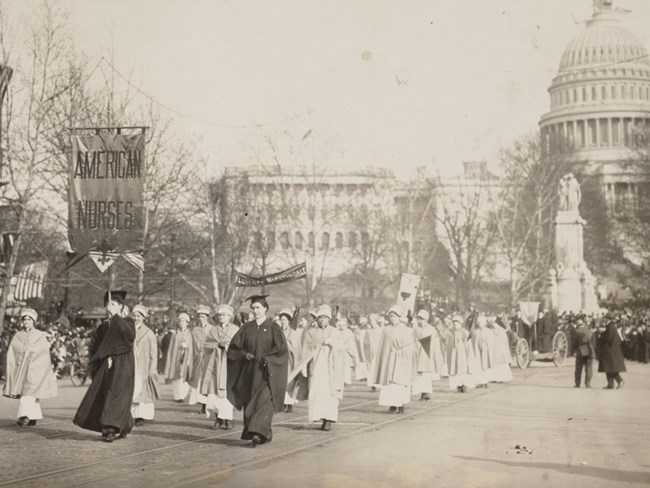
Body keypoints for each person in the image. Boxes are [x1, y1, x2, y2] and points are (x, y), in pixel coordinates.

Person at [227, 295, 289, 447]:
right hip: (249, 373)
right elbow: (234, 348)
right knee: (250, 402)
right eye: (253, 308)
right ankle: (262, 433)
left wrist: (268, 359)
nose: (255, 311)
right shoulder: (246, 328)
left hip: (268, 374)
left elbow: (281, 350)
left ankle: (257, 433)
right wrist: (244, 354)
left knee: (265, 402)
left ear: (265, 309)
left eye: (258, 308)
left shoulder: (274, 328)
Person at [73, 291, 136, 442]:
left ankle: (110, 429)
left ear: (121, 306)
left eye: (113, 304)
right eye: (109, 304)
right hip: (107, 364)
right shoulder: (103, 326)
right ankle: (124, 424)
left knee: (117, 393)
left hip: (123, 363)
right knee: (106, 393)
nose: (110, 307)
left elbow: (128, 337)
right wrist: (99, 359)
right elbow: (95, 345)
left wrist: (116, 317)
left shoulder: (127, 322)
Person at [3, 308, 58, 427]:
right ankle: (33, 417)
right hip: (21, 369)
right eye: (25, 319)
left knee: (29, 395)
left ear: (33, 321)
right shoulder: (18, 335)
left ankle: (23, 417)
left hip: (35, 369)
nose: (27, 322)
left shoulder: (39, 335)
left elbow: (43, 353)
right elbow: (12, 352)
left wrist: (31, 353)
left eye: (29, 319)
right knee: (27, 394)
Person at [300, 305, 345, 431]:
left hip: (331, 368)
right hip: (316, 367)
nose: (322, 320)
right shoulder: (311, 332)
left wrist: (333, 344)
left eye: (325, 318)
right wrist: (304, 366)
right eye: (320, 318)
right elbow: (305, 350)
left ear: (329, 319)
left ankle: (328, 419)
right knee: (317, 391)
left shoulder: (335, 332)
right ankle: (319, 416)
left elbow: (342, 349)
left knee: (330, 393)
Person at [201, 304, 239, 430]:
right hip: (215, 366)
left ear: (229, 317)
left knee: (227, 393)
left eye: (224, 315)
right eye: (220, 315)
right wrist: (217, 346)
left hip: (229, 366)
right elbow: (207, 345)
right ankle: (218, 418)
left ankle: (228, 419)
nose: (221, 317)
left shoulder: (235, 329)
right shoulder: (213, 329)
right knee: (214, 394)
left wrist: (227, 346)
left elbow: (239, 346)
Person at [372, 305, 415, 413]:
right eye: (391, 316)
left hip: (401, 360)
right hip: (389, 359)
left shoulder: (405, 330)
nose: (392, 318)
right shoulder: (386, 330)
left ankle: (400, 405)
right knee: (390, 383)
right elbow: (383, 346)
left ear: (399, 317)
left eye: (395, 316)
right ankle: (392, 404)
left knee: (399, 383)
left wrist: (402, 353)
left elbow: (409, 346)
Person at [131, 305, 159, 426]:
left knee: (143, 391)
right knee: (133, 390)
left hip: (144, 365)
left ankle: (141, 416)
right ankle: (132, 415)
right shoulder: (129, 330)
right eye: (135, 316)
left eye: (138, 316)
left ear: (143, 318)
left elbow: (153, 352)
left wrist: (152, 368)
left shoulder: (149, 333)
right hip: (132, 364)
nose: (136, 318)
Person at [412, 309, 442, 401]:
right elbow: (412, 341)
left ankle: (426, 393)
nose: (420, 321)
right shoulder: (415, 330)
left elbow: (435, 343)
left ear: (426, 320)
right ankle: (422, 392)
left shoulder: (431, 330)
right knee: (419, 375)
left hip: (427, 354)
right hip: (418, 354)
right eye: (419, 319)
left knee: (426, 376)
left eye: (422, 319)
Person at [189, 306, 214, 413]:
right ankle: (202, 405)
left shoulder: (212, 329)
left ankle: (208, 404)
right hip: (198, 359)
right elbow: (192, 344)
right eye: (199, 316)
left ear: (207, 317)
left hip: (209, 359)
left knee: (207, 381)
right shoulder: (195, 330)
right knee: (199, 381)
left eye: (203, 316)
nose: (201, 318)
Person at [164, 312, 194, 401]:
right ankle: (177, 396)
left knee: (184, 377)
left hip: (186, 357)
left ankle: (182, 395)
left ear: (187, 322)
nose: (181, 323)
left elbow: (192, 346)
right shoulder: (175, 334)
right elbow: (171, 348)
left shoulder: (190, 334)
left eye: (183, 321)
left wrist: (187, 348)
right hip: (175, 358)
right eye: (180, 321)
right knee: (176, 377)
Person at [278, 308, 302, 413]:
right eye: (281, 320)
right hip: (279, 360)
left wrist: (286, 346)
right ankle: (283, 402)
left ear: (288, 321)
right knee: (281, 381)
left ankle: (290, 403)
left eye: (284, 320)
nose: (283, 322)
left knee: (290, 381)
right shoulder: (278, 331)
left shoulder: (293, 332)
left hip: (290, 360)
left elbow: (296, 347)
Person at [597, 319, 626, 389]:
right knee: (608, 368)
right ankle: (610, 384)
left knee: (610, 368)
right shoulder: (611, 326)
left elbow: (609, 338)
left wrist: (601, 335)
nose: (604, 320)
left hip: (609, 351)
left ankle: (620, 381)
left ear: (608, 319)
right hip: (610, 351)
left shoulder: (610, 326)